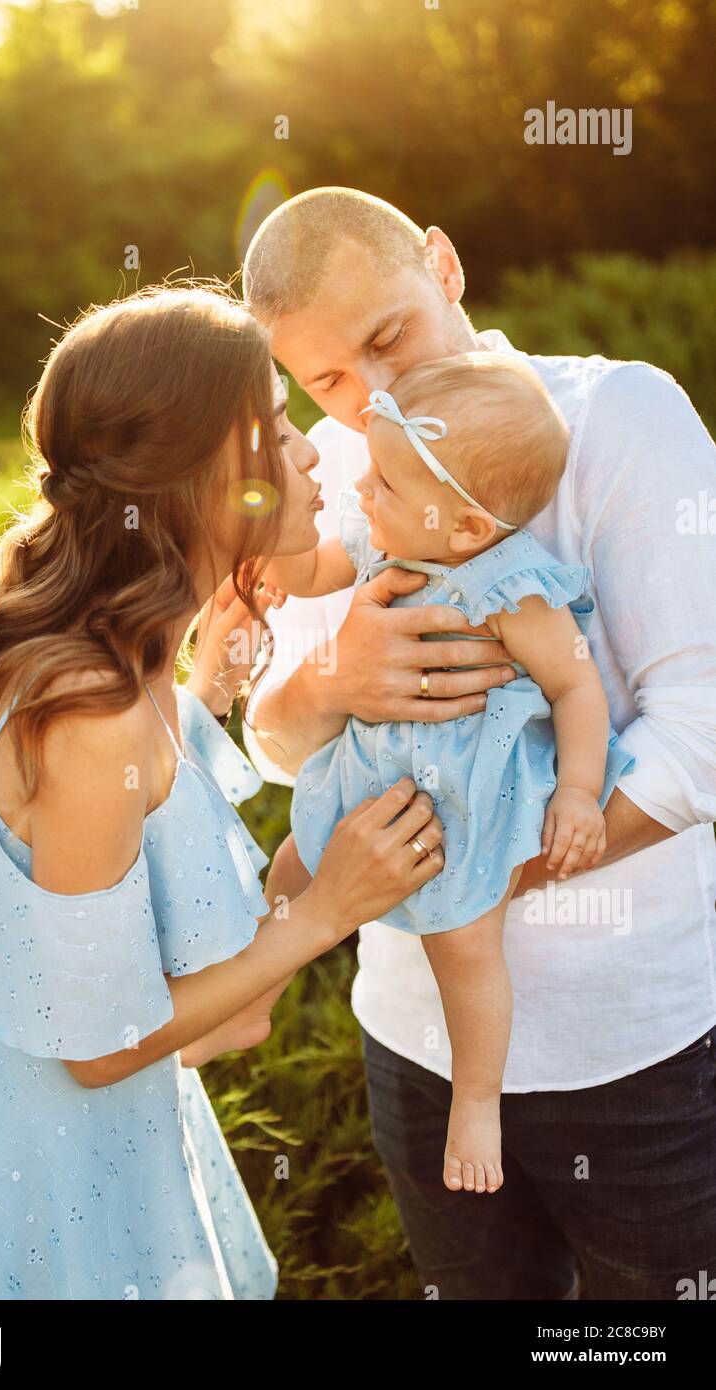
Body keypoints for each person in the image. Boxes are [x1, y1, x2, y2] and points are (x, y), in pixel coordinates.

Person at [0, 282, 443, 1300]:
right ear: (197, 474)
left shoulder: (110, 664)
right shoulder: (89, 709)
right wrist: (321, 912)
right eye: (274, 428)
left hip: (84, 1137)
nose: (309, 450)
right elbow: (97, 1047)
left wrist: (203, 690)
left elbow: (120, 827)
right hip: (55, 1174)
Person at [241, 187, 716, 1300]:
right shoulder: (340, 470)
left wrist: (461, 881)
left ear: (443, 266)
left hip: (632, 1048)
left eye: (386, 336)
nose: (373, 398)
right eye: (327, 381)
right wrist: (329, 677)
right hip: (412, 1039)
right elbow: (271, 741)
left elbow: (702, 730)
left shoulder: (617, 420)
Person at [262, 351, 635, 1195]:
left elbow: (577, 687)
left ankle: (476, 1103)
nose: (365, 494)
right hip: (372, 780)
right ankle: (251, 995)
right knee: (291, 865)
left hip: (467, 805)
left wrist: (578, 790)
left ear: (466, 527)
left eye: (386, 484)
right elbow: (307, 568)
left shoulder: (513, 590)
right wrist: (267, 537)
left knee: (463, 950)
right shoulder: (381, 541)